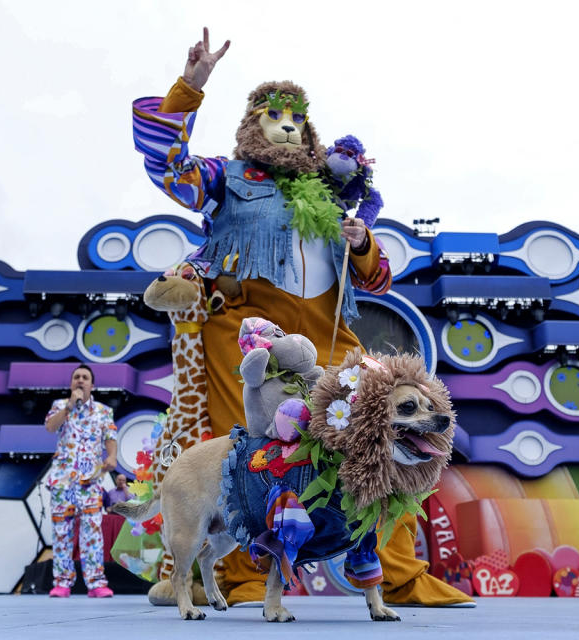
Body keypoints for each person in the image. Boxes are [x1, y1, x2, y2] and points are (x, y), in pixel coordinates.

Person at [131, 27, 472, 607]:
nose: (286, 124)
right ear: (250, 128)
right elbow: (167, 167)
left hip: (330, 330)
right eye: (272, 114)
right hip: (248, 332)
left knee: (385, 435)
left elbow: (376, 280)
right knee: (244, 451)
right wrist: (190, 88)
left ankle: (399, 577)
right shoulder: (227, 178)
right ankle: (237, 578)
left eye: (295, 116)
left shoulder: (332, 194)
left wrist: (363, 240)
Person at [44, 364, 117, 598]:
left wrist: (112, 457)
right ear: (71, 384)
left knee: (92, 531)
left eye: (85, 377)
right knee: (62, 531)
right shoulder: (59, 406)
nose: (80, 380)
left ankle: (96, 583)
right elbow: (50, 427)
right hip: (63, 481)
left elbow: (110, 437)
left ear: (92, 385)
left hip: (91, 480)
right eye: (76, 377)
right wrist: (67, 406)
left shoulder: (103, 411)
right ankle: (62, 582)